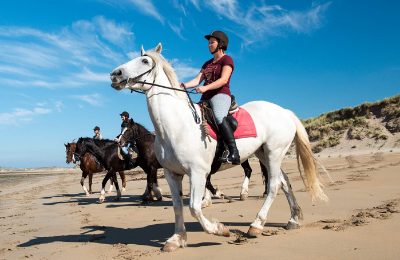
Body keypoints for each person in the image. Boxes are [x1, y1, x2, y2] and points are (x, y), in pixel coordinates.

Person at [181, 30, 240, 165]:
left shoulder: (227, 59)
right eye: (209, 43)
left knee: (219, 116)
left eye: (212, 42)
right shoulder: (207, 63)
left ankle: (234, 152)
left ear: (220, 44)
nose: (209, 45)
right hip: (205, 97)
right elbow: (197, 80)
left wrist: (206, 88)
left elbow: (224, 80)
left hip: (221, 94)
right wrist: (183, 85)